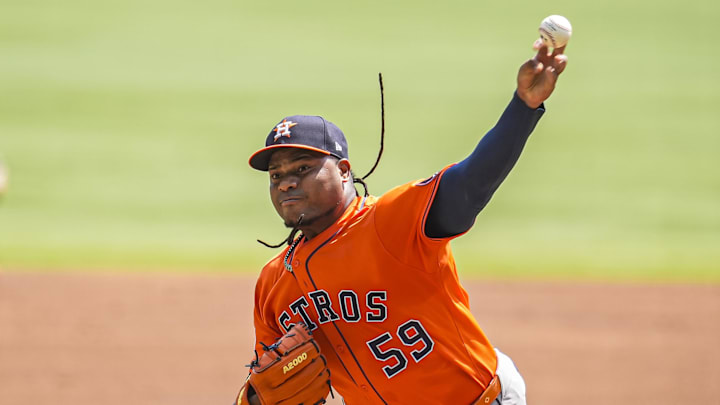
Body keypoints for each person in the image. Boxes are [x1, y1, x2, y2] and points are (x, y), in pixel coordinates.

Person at [238, 39, 568, 405]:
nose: (286, 182)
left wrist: (523, 108)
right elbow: (268, 381)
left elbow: (470, 184)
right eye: (275, 175)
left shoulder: (390, 221)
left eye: (302, 168)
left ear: (344, 172)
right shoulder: (273, 285)